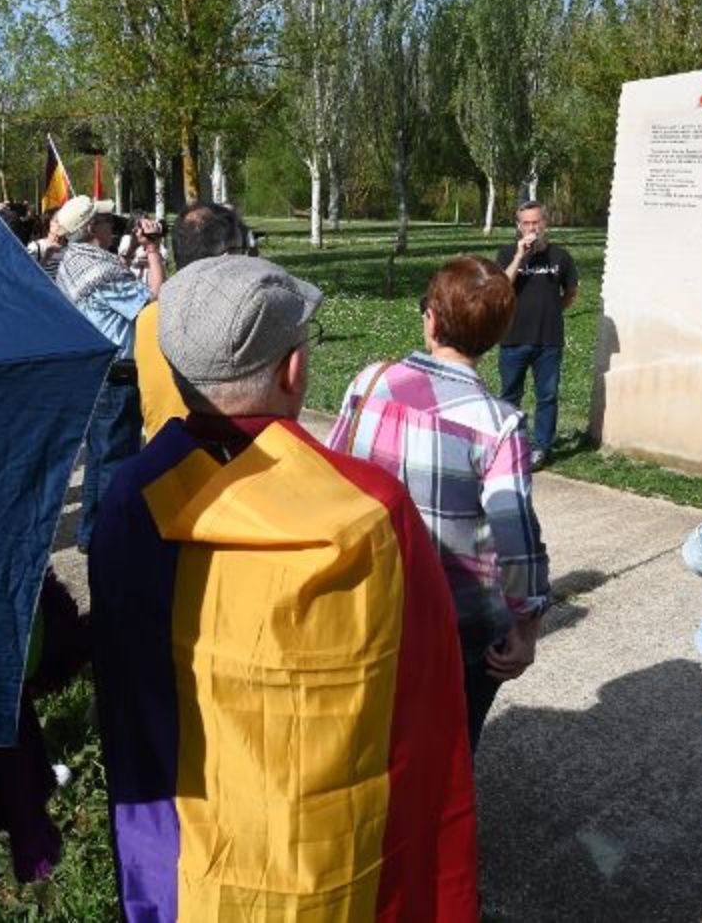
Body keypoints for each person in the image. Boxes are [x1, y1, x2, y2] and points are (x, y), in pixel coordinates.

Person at [89, 256, 478, 921]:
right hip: (335, 863)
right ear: (293, 370)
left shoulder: (129, 501)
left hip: (184, 854)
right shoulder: (369, 510)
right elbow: (422, 699)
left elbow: (124, 687)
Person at [329, 256, 550, 750]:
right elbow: (516, 541)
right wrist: (527, 623)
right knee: (447, 753)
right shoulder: (499, 425)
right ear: (497, 335)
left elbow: (333, 473)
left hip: (366, 604)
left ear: (430, 318)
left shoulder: (369, 383)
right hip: (457, 629)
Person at [54, 194, 164, 553]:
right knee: (118, 460)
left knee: (100, 457)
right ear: (91, 230)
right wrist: (153, 251)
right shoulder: (103, 272)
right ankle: (112, 542)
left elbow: (107, 284)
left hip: (95, 374)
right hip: (118, 377)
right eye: (104, 221)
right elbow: (153, 307)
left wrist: (127, 257)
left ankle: (91, 533)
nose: (111, 224)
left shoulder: (74, 260)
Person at [133, 202, 247, 440]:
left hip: (162, 453)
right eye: (241, 250)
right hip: (218, 459)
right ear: (227, 256)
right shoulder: (234, 317)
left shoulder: (148, 317)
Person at [496, 201, 577, 470]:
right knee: (509, 396)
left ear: (545, 224)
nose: (532, 228)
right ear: (519, 227)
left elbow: (570, 294)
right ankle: (510, 445)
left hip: (548, 340)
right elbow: (501, 288)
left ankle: (541, 447)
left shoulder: (561, 256)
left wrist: (552, 311)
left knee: (548, 396)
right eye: (526, 223)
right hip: (513, 338)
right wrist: (520, 257)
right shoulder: (507, 252)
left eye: (536, 222)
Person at [26, 210, 66, 279]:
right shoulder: (35, 247)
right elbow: (27, 275)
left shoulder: (70, 249)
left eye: (64, 222)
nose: (60, 225)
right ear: (50, 223)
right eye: (57, 221)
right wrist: (46, 257)